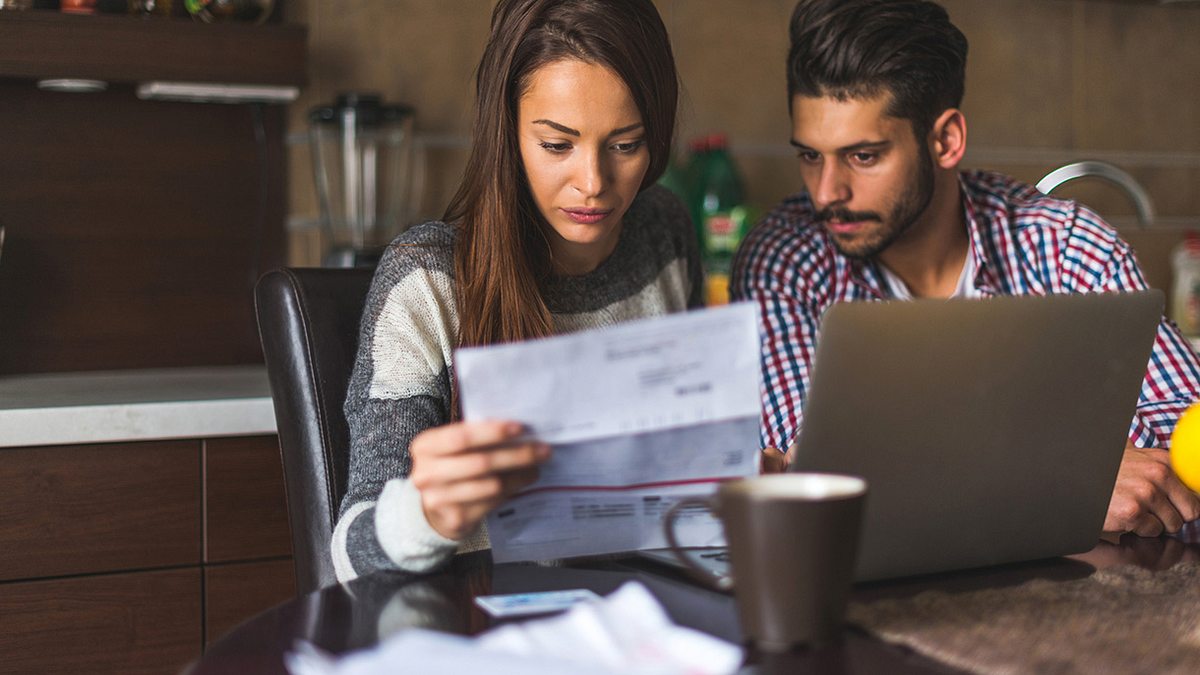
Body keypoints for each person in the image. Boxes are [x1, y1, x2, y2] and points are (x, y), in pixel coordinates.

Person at [733, 0, 1200, 536]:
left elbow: (1186, 439)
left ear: (945, 140)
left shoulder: (1069, 245)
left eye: (863, 157)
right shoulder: (783, 258)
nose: (826, 192)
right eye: (811, 155)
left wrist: (918, 460)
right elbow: (819, 485)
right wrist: (1068, 474)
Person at [332, 0, 700, 582]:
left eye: (625, 145)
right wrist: (428, 516)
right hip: (478, 626)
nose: (594, 183)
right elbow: (351, 556)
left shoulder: (664, 234)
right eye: (558, 145)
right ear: (506, 133)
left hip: (645, 615)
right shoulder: (429, 280)